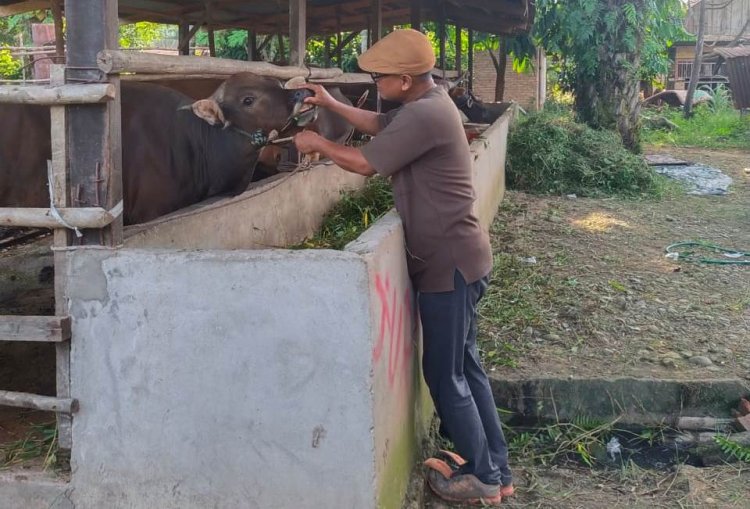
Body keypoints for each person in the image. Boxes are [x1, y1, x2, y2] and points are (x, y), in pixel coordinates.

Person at [293, 28, 513, 506]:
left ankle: (483, 479)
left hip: (447, 265)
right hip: (462, 258)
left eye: (382, 78)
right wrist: (330, 103)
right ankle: (496, 465)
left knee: (443, 374)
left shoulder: (428, 113)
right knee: (466, 367)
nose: (377, 84)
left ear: (408, 81)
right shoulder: (427, 105)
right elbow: (379, 124)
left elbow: (364, 163)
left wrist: (317, 143)